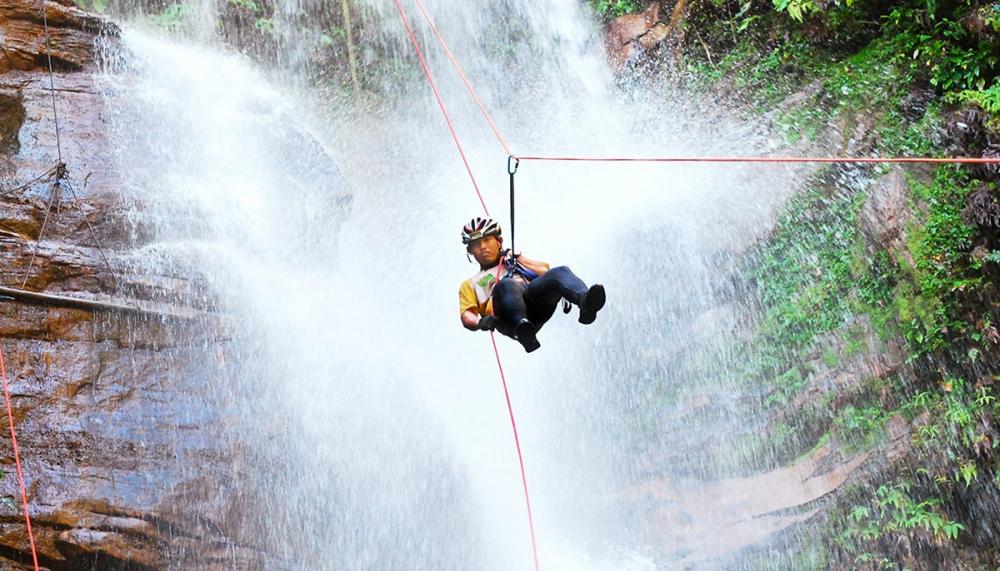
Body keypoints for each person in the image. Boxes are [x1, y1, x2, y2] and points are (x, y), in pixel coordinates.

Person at [458, 217, 605, 353]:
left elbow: (546, 272)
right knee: (506, 285)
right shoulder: (470, 284)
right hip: (506, 318)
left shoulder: (513, 261)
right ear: (469, 250)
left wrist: (519, 258)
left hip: (534, 301)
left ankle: (585, 301)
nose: (483, 247)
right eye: (476, 244)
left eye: (487, 240)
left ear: (499, 241)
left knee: (561, 271)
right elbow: (466, 315)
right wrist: (480, 322)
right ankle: (523, 330)